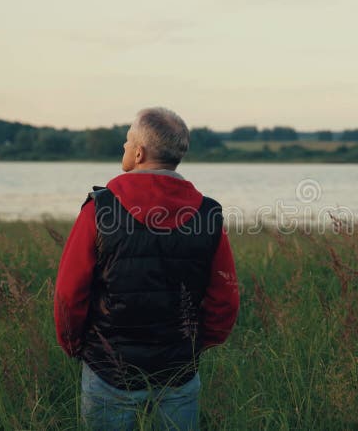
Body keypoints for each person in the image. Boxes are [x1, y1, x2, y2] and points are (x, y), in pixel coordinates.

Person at [54, 107, 239, 430]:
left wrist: (72, 345)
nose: (124, 148)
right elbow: (226, 295)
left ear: (138, 152)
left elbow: (69, 294)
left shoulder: (100, 208)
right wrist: (198, 344)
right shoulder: (208, 213)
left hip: (109, 371)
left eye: (127, 142)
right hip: (180, 370)